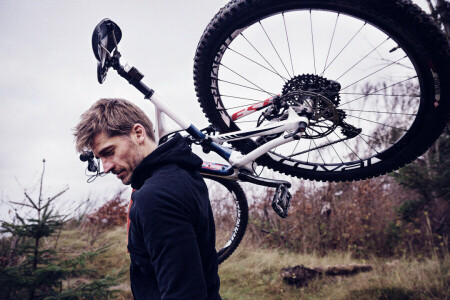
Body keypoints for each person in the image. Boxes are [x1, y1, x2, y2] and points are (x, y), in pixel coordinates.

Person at [74, 98, 221, 299]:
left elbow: (183, 293)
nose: (106, 166)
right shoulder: (183, 174)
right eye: (100, 159)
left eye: (109, 152)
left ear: (138, 133)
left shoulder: (155, 196)